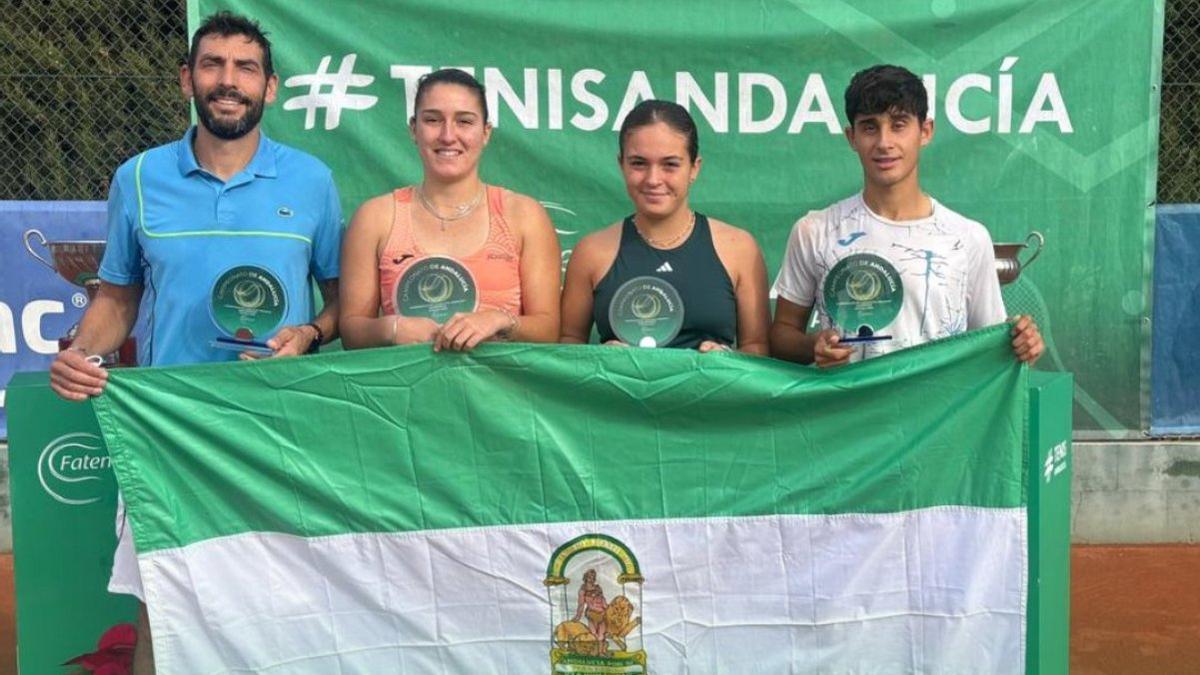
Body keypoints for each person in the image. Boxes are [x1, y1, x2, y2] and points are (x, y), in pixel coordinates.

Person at [47, 12, 343, 672]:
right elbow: (117, 299)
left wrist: (311, 332)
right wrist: (80, 354)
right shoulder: (138, 178)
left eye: (245, 68)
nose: (228, 80)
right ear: (188, 79)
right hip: (171, 427)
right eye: (213, 65)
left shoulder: (312, 180)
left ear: (270, 87)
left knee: (282, 606)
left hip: (277, 424)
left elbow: (344, 300)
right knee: (167, 606)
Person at [769, 64, 1044, 367]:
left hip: (939, 399)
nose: (884, 142)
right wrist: (815, 346)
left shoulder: (968, 237)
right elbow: (781, 336)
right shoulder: (815, 230)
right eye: (870, 127)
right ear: (851, 137)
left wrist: (1020, 343)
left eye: (898, 125)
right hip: (849, 398)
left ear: (925, 132)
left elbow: (991, 348)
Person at [339, 69, 560, 350]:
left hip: (501, 380)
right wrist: (391, 327)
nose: (447, 135)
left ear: (486, 132)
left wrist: (499, 321)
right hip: (408, 379)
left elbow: (549, 329)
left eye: (464, 121)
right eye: (432, 120)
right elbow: (352, 331)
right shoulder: (375, 217)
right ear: (413, 129)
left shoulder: (524, 216)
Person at [560, 100, 770, 353]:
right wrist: (601, 358)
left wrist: (728, 361)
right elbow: (568, 348)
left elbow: (757, 348)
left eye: (670, 164)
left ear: (694, 168)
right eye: (639, 163)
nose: (653, 179)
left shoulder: (739, 249)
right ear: (621, 165)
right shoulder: (591, 252)